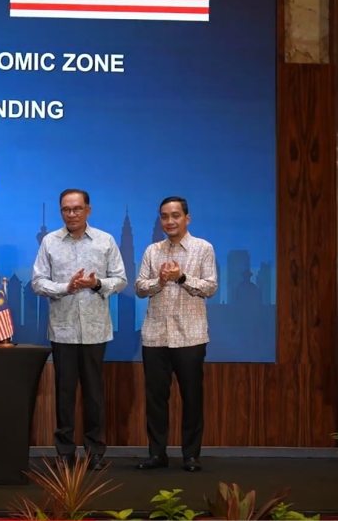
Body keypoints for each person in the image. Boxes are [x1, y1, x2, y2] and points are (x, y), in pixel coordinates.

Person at [31, 188, 126, 469]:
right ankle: (65, 451)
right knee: (64, 392)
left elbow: (120, 279)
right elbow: (38, 282)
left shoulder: (105, 241)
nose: (71, 214)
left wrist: (97, 284)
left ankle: (96, 450)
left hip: (96, 329)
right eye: (66, 210)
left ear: (88, 210)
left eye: (76, 209)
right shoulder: (50, 241)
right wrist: (66, 287)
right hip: (62, 330)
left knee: (95, 392)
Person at [134, 196, 218, 473]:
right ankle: (157, 454)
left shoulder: (203, 248)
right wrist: (160, 281)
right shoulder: (152, 251)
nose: (169, 221)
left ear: (187, 218)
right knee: (156, 399)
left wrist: (181, 277)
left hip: (190, 336)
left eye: (175, 215)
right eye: (164, 216)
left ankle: (191, 455)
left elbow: (210, 287)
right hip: (155, 336)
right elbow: (139, 288)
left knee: (192, 397)